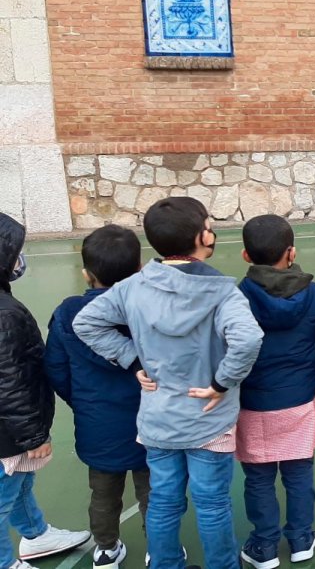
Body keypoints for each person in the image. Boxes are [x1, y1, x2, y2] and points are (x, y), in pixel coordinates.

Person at [74, 197, 264, 569]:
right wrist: (222, 383)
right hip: (209, 420)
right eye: (209, 224)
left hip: (158, 419)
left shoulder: (132, 287)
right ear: (199, 237)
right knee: (212, 504)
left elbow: (86, 323)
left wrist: (131, 358)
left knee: (162, 501)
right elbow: (248, 339)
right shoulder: (223, 292)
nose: (213, 231)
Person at [234, 215, 315, 568]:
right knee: (299, 474)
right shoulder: (313, 295)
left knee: (258, 477)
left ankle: (264, 546)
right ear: (292, 253)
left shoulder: (236, 297)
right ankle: (300, 539)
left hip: (251, 403)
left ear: (246, 255)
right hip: (298, 400)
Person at [44, 225, 147, 569]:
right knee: (155, 491)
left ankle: (105, 549)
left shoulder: (67, 314)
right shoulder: (151, 311)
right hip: (152, 419)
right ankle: (159, 547)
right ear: (139, 268)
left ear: (86, 273)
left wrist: (84, 402)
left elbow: (57, 370)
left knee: (103, 492)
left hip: (96, 423)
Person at [0, 213, 93, 569]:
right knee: (3, 494)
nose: (19, 260)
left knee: (20, 482)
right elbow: (7, 383)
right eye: (14, 253)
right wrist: (33, 434)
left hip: (13, 433)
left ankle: (36, 535)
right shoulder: (4, 315)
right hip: (9, 435)